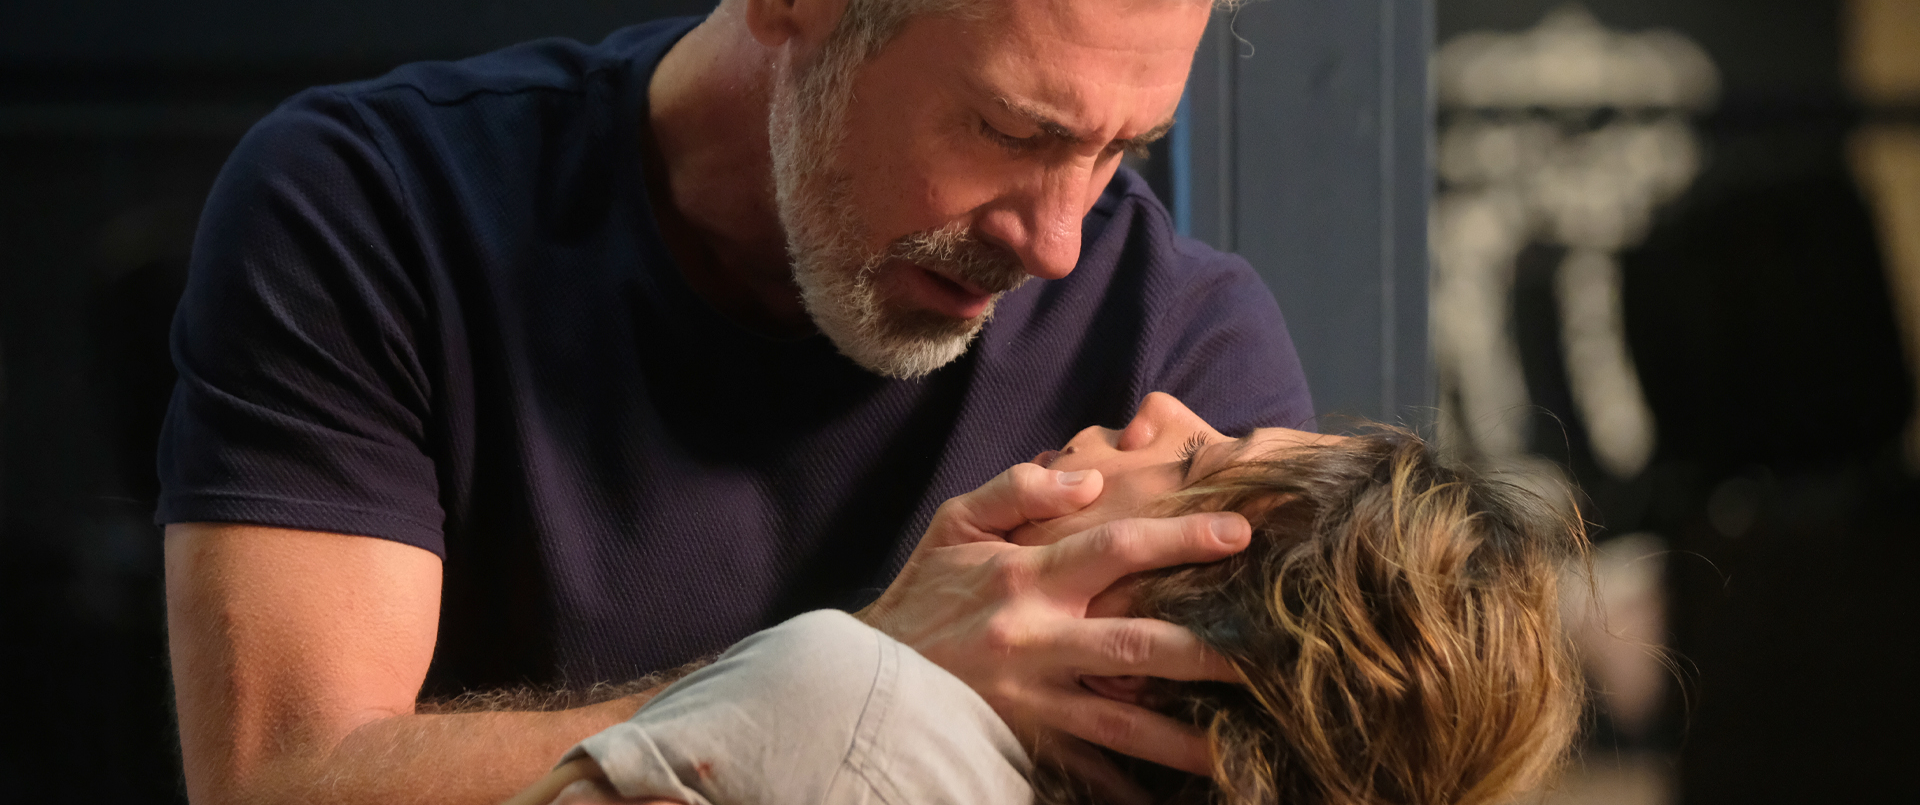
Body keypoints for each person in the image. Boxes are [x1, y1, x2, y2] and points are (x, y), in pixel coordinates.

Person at [157, 0, 1307, 803]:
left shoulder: (1176, 346)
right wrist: (864, 673)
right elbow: (280, 780)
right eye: (1012, 131)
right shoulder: (381, 209)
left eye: (1118, 151)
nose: (1056, 244)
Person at [505, 393, 1587, 805]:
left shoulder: (836, 706)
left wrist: (875, 656)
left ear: (1138, 651)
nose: (1159, 405)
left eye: (1197, 457)